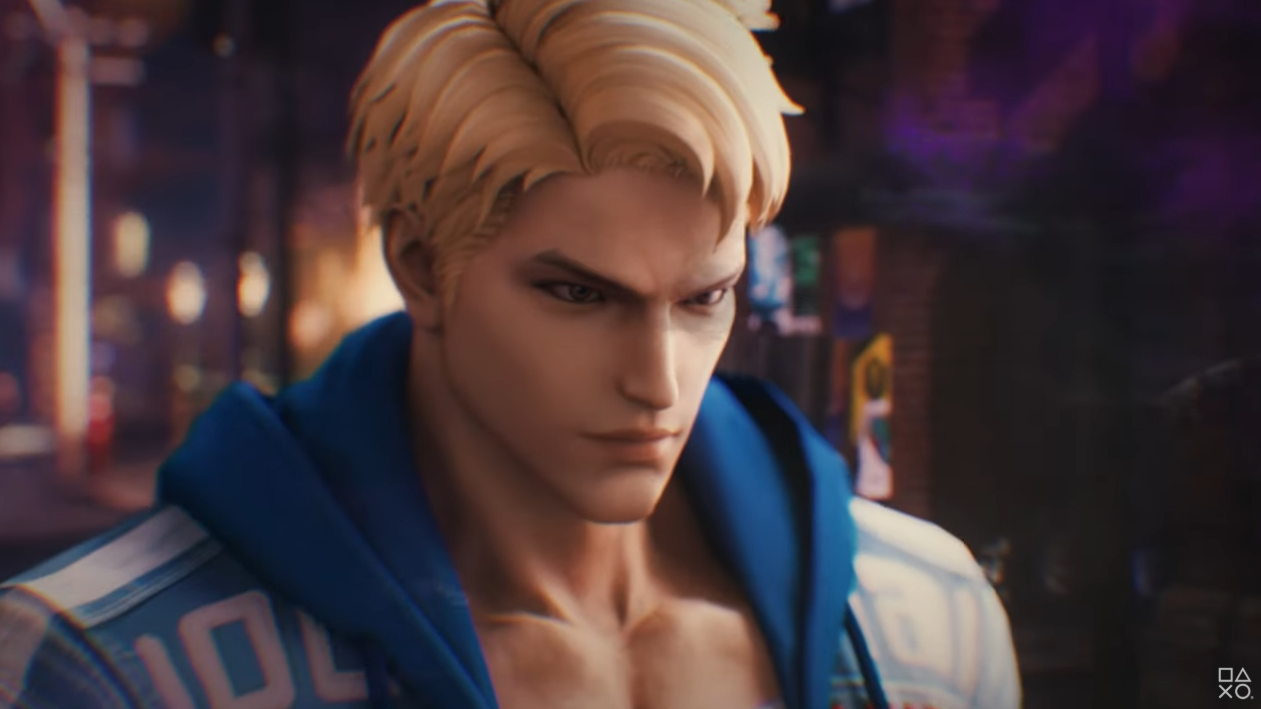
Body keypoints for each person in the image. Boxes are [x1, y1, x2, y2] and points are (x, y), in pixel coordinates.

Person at [0, 1, 1021, 707]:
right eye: (578, 294)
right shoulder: (109, 665)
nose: (657, 381)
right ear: (421, 266)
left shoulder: (922, 623)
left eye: (701, 298)